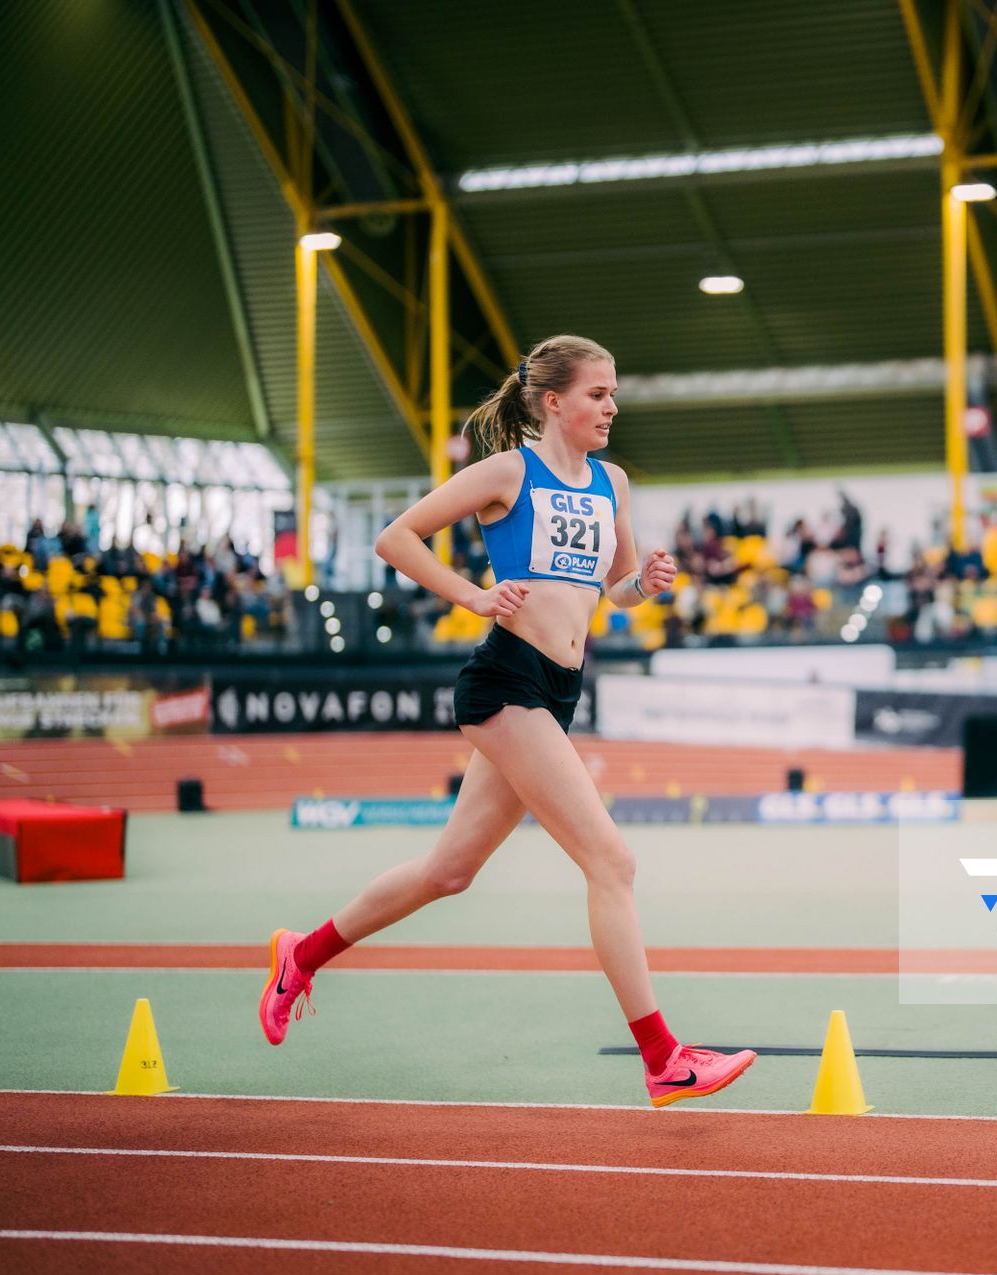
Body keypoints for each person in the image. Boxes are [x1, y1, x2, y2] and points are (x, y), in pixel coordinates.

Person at [257, 335, 756, 1107]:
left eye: (614, 393)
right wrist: (475, 596)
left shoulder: (612, 482)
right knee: (612, 863)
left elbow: (614, 590)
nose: (612, 407)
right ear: (554, 401)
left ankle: (303, 953)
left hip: (560, 687)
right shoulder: (506, 473)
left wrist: (644, 584)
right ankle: (664, 1058)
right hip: (505, 682)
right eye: (598, 394)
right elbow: (395, 538)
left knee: (447, 873)